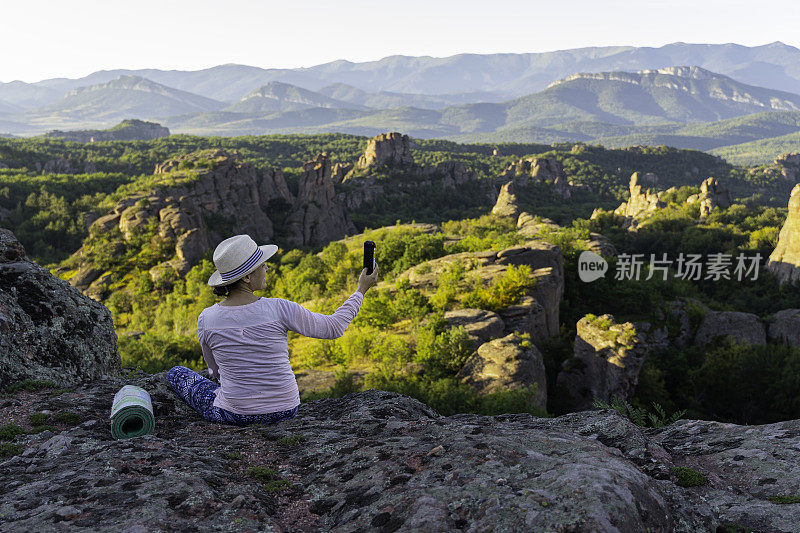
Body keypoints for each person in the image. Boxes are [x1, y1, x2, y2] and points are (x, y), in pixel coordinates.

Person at [166, 234, 378, 427]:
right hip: (286, 410)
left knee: (176, 373)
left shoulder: (206, 319)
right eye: (262, 265)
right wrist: (360, 290)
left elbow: (214, 372)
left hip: (235, 415)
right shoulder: (279, 308)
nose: (267, 268)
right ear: (247, 277)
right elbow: (333, 328)